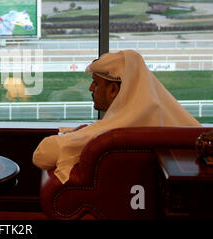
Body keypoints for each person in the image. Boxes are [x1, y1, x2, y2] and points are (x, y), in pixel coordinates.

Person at [32, 50, 201, 185]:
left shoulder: (113, 132)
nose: (91, 89)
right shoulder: (164, 114)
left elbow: (41, 155)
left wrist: (73, 135)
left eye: (96, 83)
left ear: (113, 90)